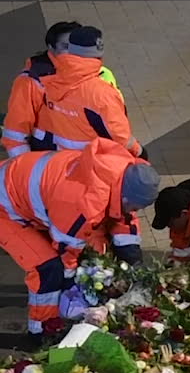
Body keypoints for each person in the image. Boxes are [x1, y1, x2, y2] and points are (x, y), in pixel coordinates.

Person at [0, 138, 158, 344]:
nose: (136, 212)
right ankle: (42, 332)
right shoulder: (83, 204)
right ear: (127, 198)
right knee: (48, 268)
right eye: (136, 207)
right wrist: (72, 288)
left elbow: (124, 218)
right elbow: (67, 252)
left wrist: (132, 257)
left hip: (20, 186)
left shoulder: (123, 172)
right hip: (5, 208)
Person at [2, 22, 121, 157]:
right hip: (51, 161)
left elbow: (115, 123)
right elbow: (15, 134)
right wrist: (25, 169)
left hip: (94, 159)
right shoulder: (31, 81)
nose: (72, 53)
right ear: (51, 48)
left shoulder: (102, 74)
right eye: (66, 47)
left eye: (77, 47)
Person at [34, 26, 145, 159]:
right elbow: (119, 135)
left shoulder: (49, 78)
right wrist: (139, 152)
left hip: (62, 157)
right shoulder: (99, 92)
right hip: (95, 158)